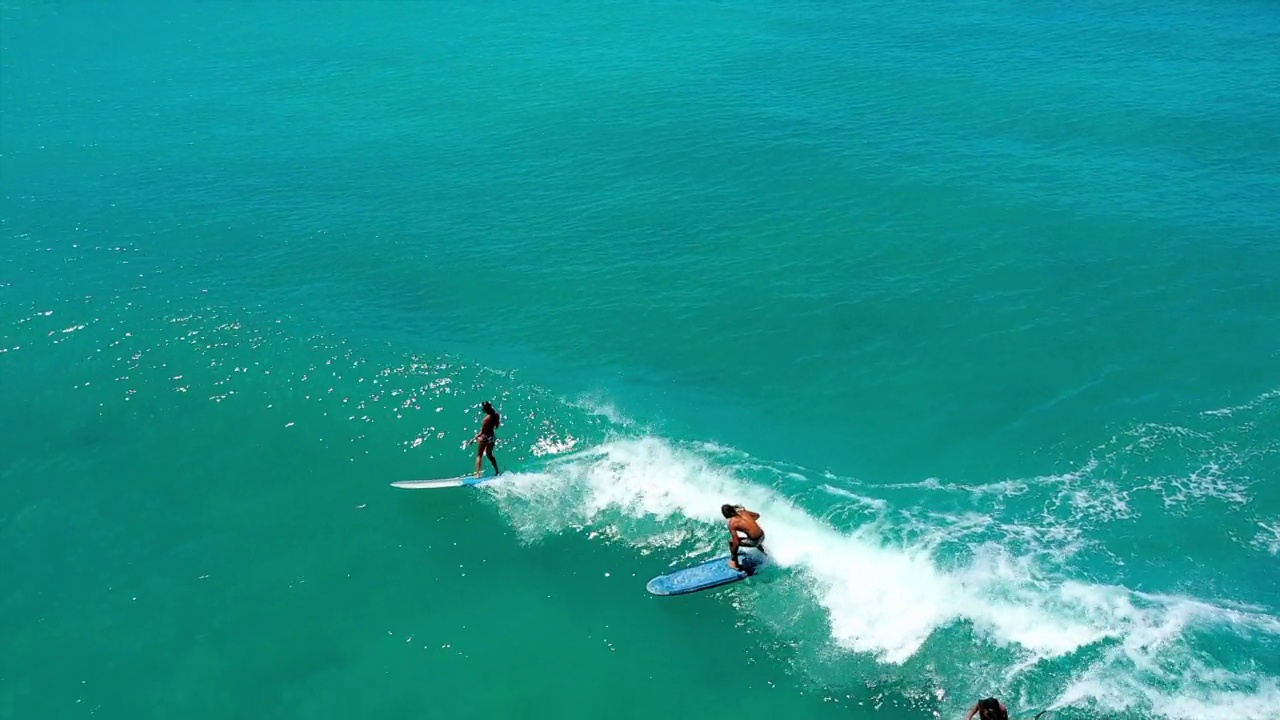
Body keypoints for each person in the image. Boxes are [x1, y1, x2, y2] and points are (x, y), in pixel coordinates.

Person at [721, 503, 766, 571]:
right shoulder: (743, 512)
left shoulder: (732, 523)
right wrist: (749, 523)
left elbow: (736, 542)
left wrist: (734, 553)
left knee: (731, 542)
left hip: (755, 541)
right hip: (762, 536)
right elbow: (757, 516)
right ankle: (764, 553)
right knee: (752, 535)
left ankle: (735, 564)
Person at [469, 401, 501, 477]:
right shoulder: (496, 416)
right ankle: (497, 471)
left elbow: (482, 432)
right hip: (492, 438)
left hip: (484, 438)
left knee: (479, 455)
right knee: (489, 454)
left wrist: (473, 439)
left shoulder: (486, 419)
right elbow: (496, 426)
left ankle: (478, 474)